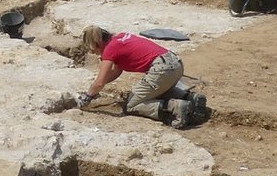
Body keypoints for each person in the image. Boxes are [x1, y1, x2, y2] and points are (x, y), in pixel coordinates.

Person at [78, 26, 207, 129]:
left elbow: (100, 82)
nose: (93, 53)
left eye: (92, 49)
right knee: (154, 91)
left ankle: (176, 107)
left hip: (163, 69)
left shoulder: (109, 49)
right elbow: (116, 71)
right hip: (175, 64)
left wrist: (88, 96)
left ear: (96, 43)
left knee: (131, 105)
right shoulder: (120, 38)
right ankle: (190, 98)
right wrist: (97, 88)